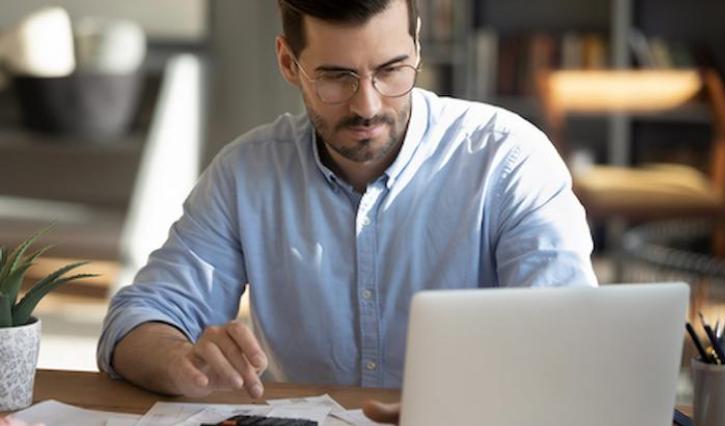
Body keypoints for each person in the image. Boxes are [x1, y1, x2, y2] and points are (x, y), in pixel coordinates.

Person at [98, 0, 597, 405]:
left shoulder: (508, 161)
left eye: (391, 70)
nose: (368, 105)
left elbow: (572, 342)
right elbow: (136, 318)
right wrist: (179, 362)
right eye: (337, 77)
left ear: (417, 46)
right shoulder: (245, 174)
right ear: (288, 63)